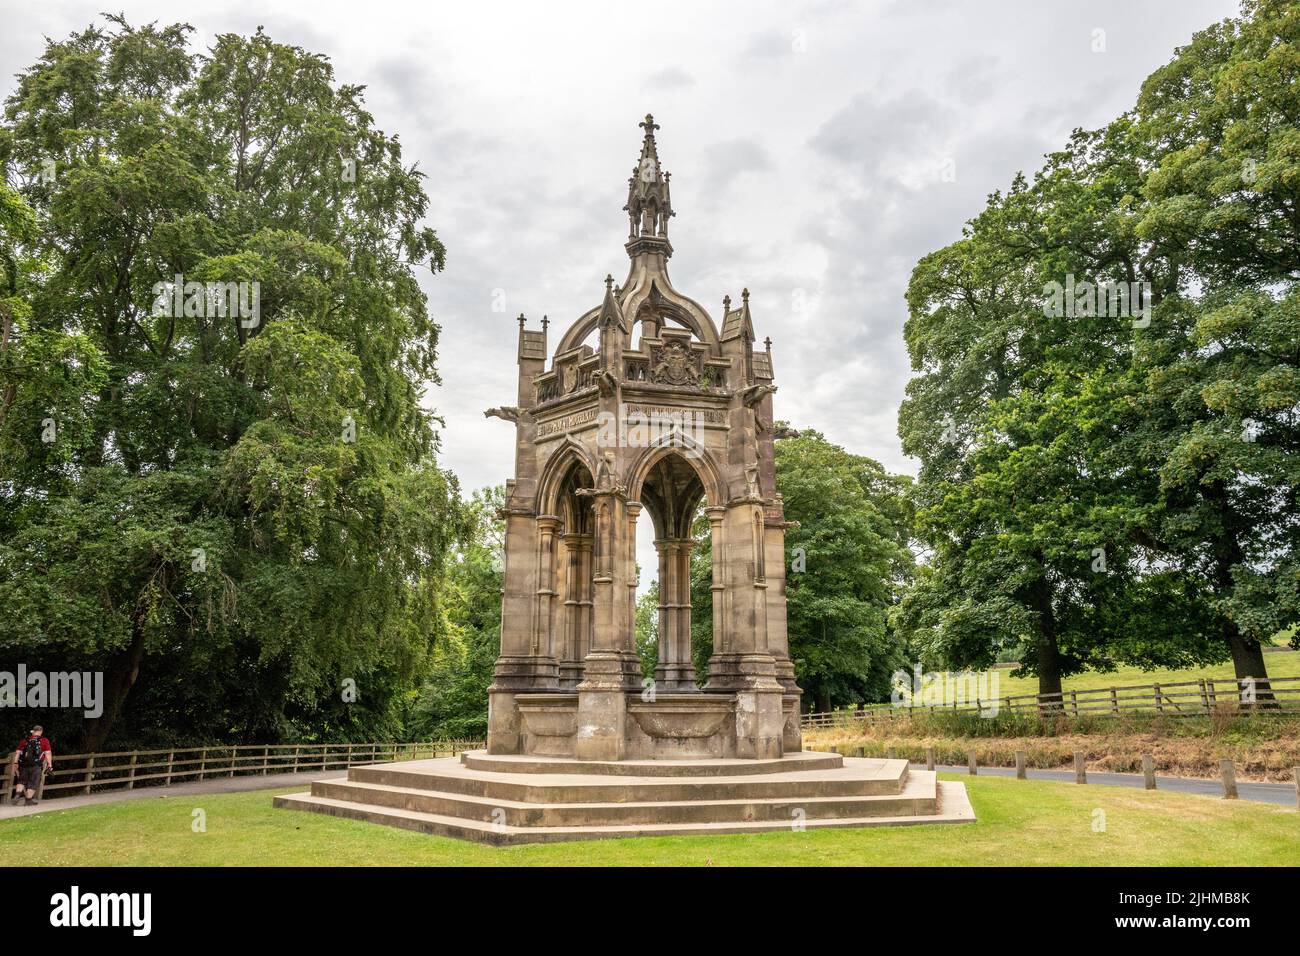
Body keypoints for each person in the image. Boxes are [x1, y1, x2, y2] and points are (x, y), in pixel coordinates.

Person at [11, 726, 52, 806]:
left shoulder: (25, 740)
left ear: (33, 731)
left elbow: (18, 752)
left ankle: (18, 794)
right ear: (41, 731)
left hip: (23, 764)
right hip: (36, 765)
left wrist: (15, 763)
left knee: (21, 780)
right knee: (33, 782)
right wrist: (50, 765)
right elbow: (48, 753)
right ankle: (28, 800)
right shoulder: (44, 740)